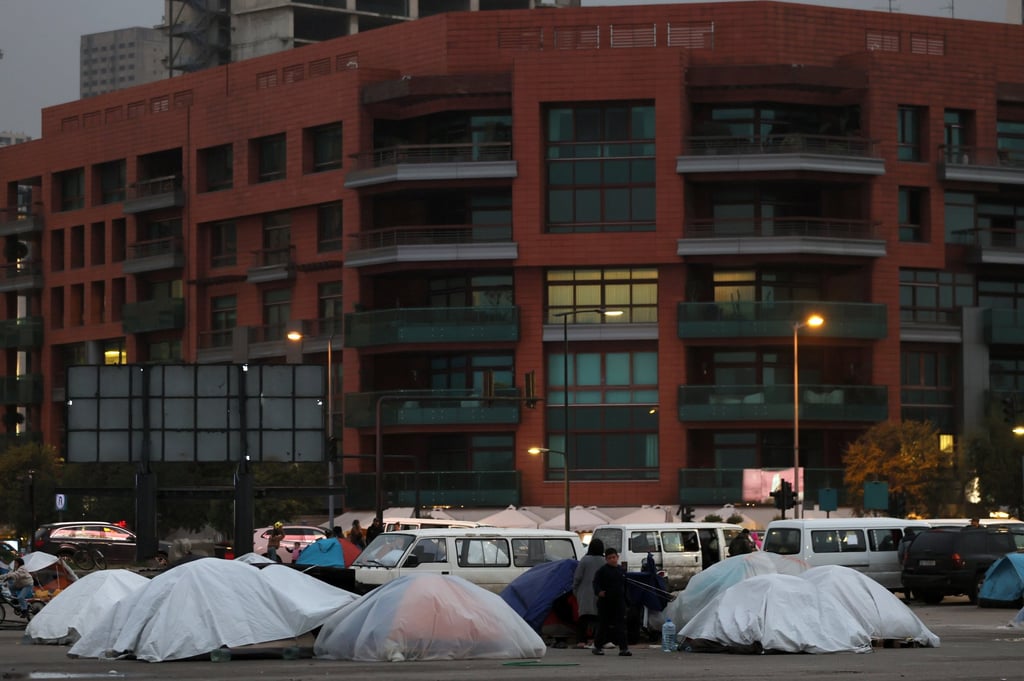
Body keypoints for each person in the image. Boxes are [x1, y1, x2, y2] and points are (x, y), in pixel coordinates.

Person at [592, 547, 631, 656]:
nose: (612, 560)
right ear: (606, 559)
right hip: (605, 602)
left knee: (621, 626)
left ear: (617, 557)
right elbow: (595, 583)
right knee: (603, 625)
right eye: (609, 558)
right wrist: (599, 592)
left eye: (614, 557)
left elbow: (625, 586)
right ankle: (598, 647)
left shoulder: (621, 570)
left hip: (619, 602)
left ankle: (624, 648)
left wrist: (627, 601)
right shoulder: (602, 571)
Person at [572, 538, 605, 649]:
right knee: (597, 618)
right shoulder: (604, 561)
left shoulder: (585, 560)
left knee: (583, 618)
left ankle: (581, 641)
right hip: (599, 593)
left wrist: (575, 589)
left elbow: (577, 576)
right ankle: (595, 640)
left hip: (584, 593)